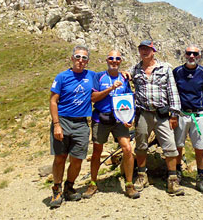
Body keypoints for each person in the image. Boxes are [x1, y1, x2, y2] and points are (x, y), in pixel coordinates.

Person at [82, 50, 140, 199]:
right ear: (106, 60)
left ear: (120, 61)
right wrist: (110, 89)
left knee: (127, 149)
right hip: (100, 119)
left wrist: (129, 118)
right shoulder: (98, 76)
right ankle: (93, 183)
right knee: (97, 151)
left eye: (117, 59)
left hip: (119, 119)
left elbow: (128, 99)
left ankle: (129, 184)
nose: (114, 61)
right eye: (111, 58)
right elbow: (93, 98)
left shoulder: (124, 77)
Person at [130, 40, 184, 196]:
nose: (144, 52)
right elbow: (125, 75)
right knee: (141, 146)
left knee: (170, 146)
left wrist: (174, 114)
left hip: (162, 114)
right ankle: (142, 175)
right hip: (143, 113)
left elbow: (172, 91)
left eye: (147, 49)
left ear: (153, 51)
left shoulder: (165, 68)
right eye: (141, 49)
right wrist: (125, 74)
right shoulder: (135, 69)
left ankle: (172, 180)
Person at [49, 45, 95, 209]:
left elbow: (108, 77)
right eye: (77, 57)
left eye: (84, 58)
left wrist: (124, 74)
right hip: (63, 121)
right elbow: (53, 101)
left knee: (77, 159)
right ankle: (57, 189)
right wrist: (56, 125)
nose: (80, 61)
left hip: (82, 123)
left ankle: (69, 187)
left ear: (87, 61)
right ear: (72, 58)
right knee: (60, 157)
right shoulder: (61, 77)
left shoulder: (91, 76)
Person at [173, 44, 203, 195]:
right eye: (189, 53)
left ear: (199, 56)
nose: (191, 56)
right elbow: (171, 90)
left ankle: (201, 179)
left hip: (198, 115)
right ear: (185, 55)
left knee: (200, 147)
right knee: (178, 145)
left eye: (195, 54)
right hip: (181, 114)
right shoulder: (177, 71)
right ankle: (177, 174)